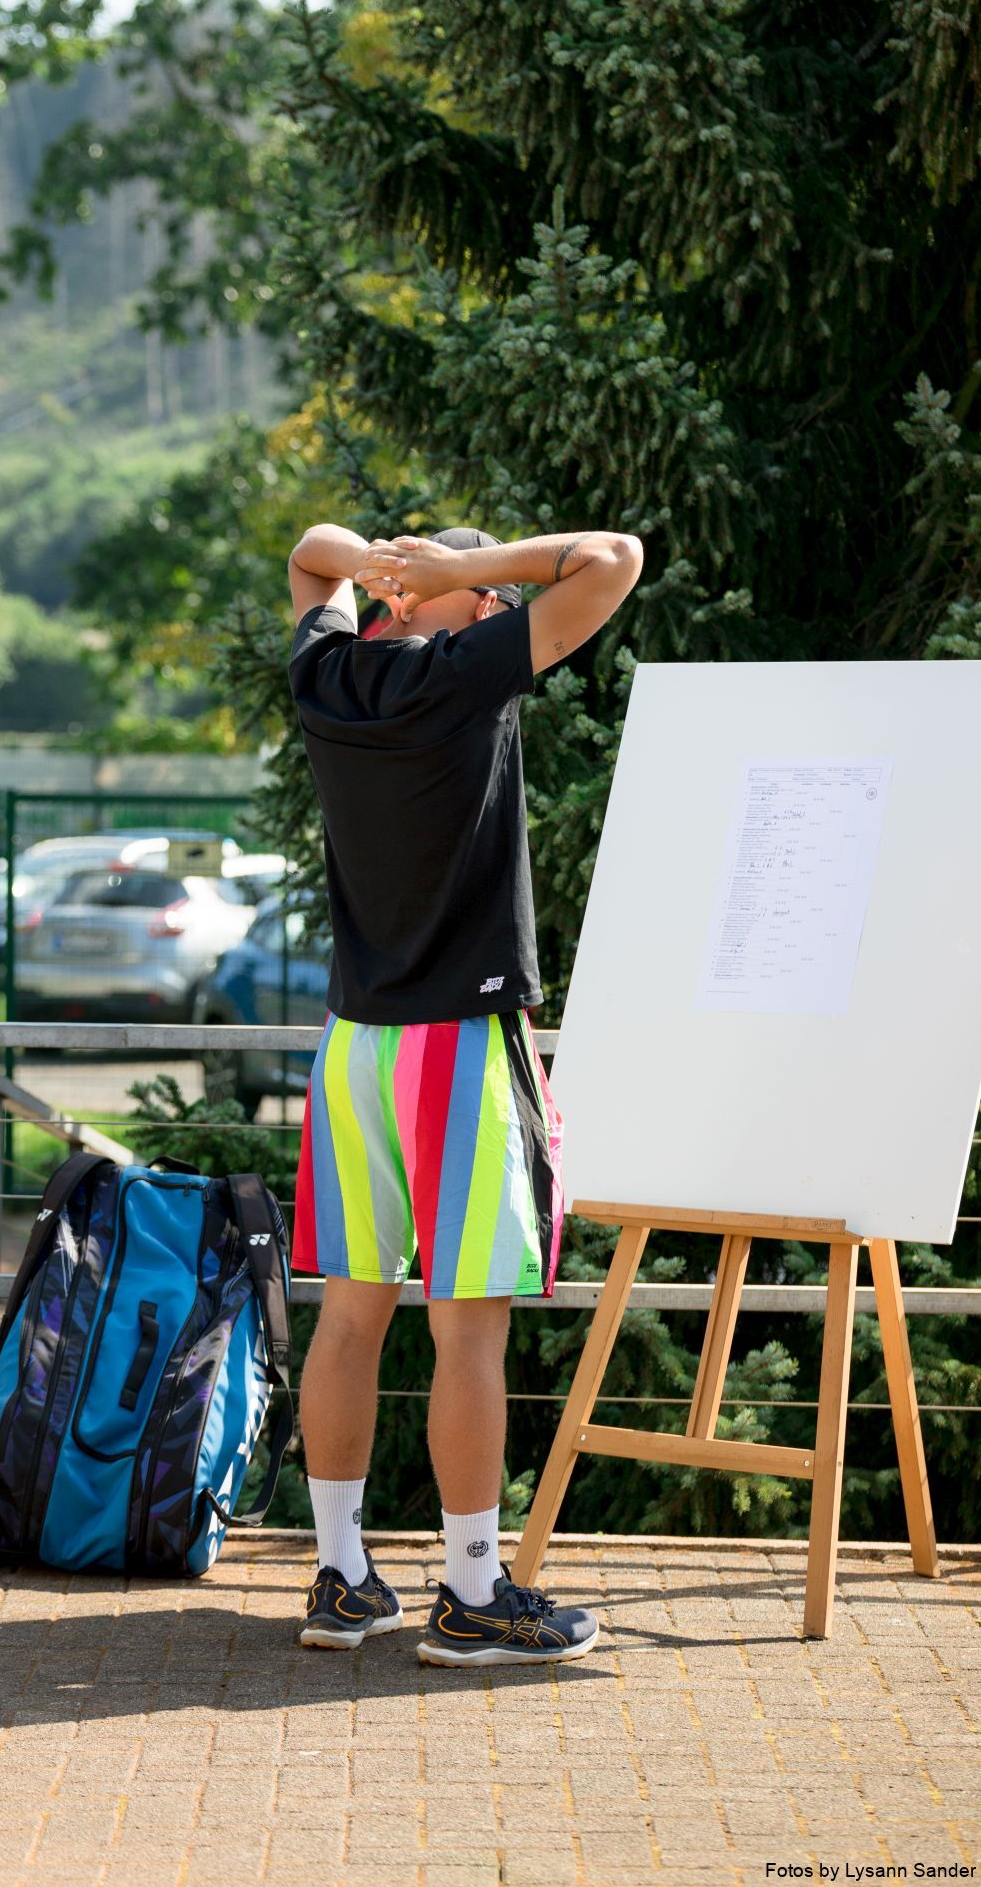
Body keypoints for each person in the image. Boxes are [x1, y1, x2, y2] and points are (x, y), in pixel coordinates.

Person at [287, 520, 643, 1666]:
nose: (498, 605)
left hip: (353, 1044)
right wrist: (459, 572)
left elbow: (310, 553)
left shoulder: (328, 673)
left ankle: (341, 1579)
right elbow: (612, 558)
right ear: (461, 603)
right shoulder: (466, 671)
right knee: (469, 1329)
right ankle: (474, 1595)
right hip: (457, 1049)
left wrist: (386, 568)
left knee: (351, 1317)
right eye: (485, 594)